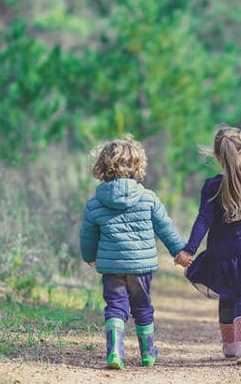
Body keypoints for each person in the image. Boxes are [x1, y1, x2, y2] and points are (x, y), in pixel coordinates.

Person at [79, 136, 186, 370]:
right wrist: (180, 251)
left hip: (112, 266)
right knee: (142, 307)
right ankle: (148, 353)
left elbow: (87, 235)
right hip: (141, 267)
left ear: (103, 166)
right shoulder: (148, 198)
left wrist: (89, 256)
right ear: (137, 165)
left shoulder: (95, 202)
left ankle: (115, 352)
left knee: (116, 306)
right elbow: (165, 227)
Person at [174, 127, 241, 365]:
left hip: (219, 254)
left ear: (217, 156)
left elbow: (203, 220)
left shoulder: (212, 186)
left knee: (226, 296)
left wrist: (189, 250)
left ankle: (230, 346)